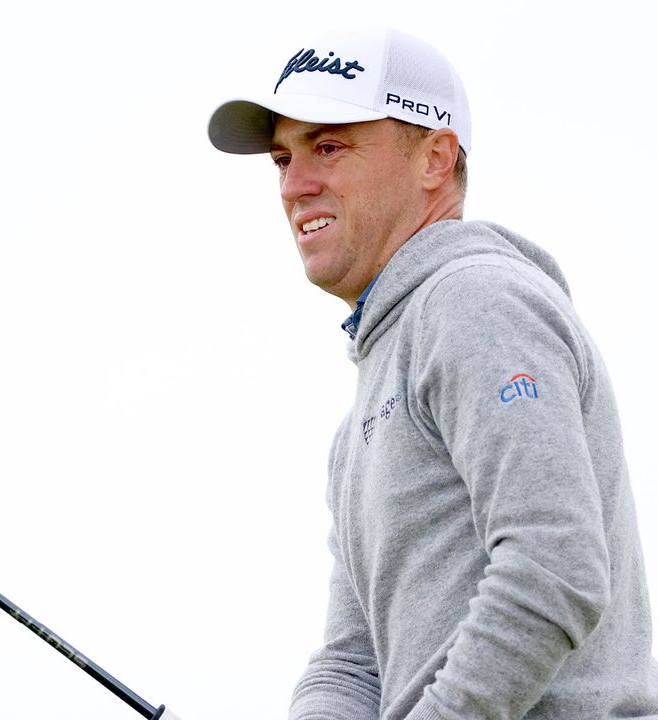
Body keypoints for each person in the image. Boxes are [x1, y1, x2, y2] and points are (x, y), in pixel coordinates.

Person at [207, 28, 658, 719]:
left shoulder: (475, 299)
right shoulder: (369, 398)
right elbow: (353, 662)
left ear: (435, 158)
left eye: (328, 146)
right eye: (282, 158)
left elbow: (553, 567)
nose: (295, 186)